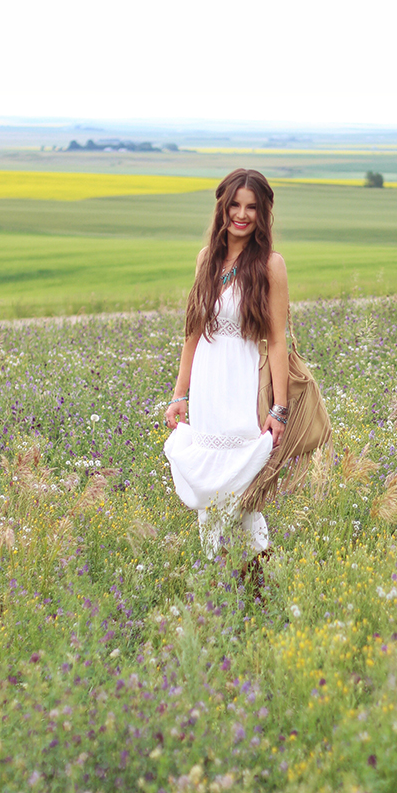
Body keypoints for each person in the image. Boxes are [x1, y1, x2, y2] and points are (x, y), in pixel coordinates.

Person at [163, 168, 289, 562]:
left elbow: (278, 341)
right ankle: (218, 586)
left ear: (262, 212)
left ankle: (261, 588)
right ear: (222, 206)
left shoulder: (270, 264)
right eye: (235, 204)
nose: (242, 214)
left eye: (251, 207)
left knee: (241, 495)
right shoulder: (207, 259)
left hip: (242, 391)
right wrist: (179, 394)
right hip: (207, 392)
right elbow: (193, 334)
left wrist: (278, 410)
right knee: (209, 496)